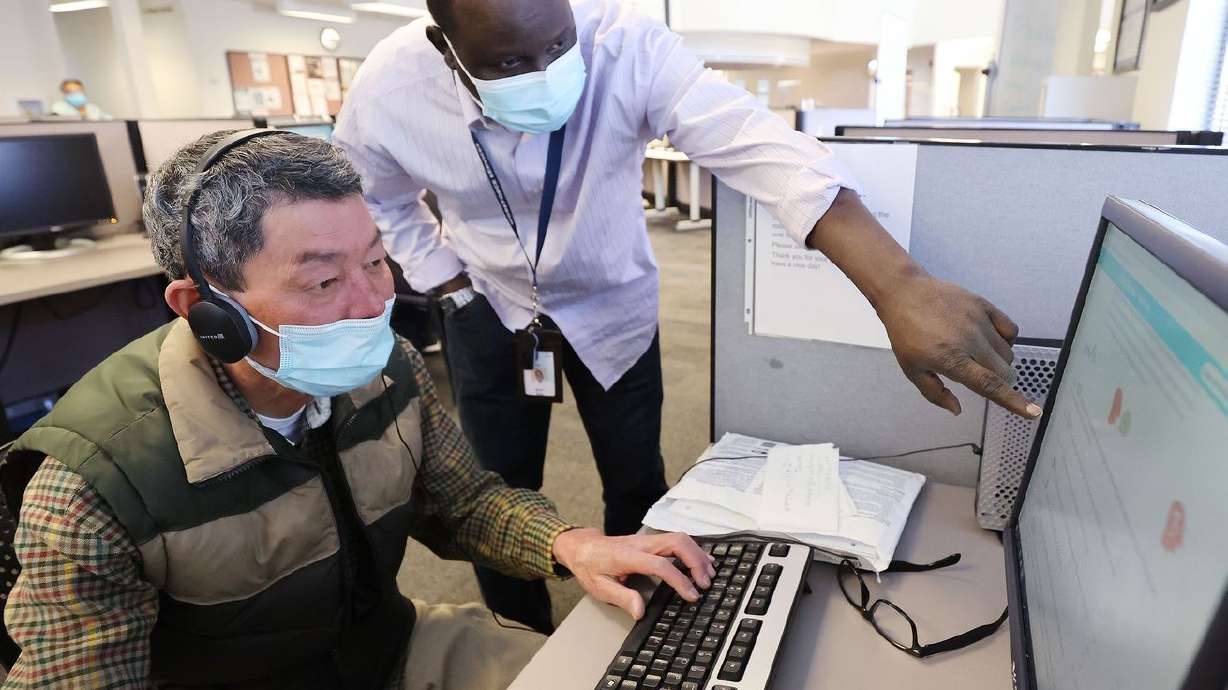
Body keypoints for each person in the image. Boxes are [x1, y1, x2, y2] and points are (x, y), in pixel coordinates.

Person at [334, 0, 1041, 634]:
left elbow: (758, 147)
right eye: (511, 62)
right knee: (499, 487)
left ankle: (641, 627)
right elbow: (378, 197)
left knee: (637, 482)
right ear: (444, 43)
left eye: (557, 44)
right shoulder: (391, 90)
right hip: (488, 309)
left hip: (615, 309)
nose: (546, 70)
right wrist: (446, 281)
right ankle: (520, 635)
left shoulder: (627, 46)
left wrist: (898, 283)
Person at [0, 130, 716, 690]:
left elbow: (463, 504)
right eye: (322, 280)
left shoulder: (390, 370)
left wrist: (571, 544)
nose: (374, 303)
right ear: (205, 312)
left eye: (375, 262)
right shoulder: (93, 488)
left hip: (389, 651)